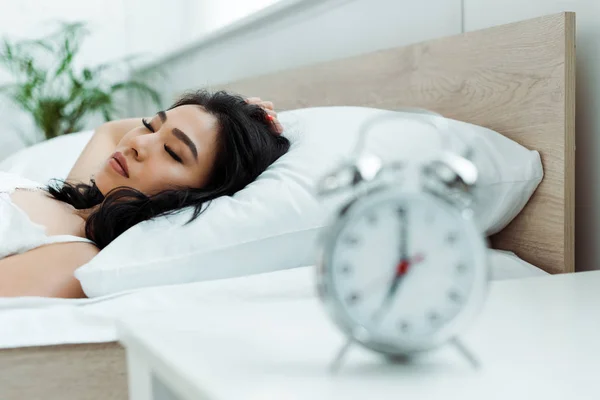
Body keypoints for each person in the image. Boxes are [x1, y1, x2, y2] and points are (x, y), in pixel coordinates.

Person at [0, 90, 289, 298]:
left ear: (196, 195)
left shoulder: (74, 255)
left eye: (172, 152)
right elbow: (110, 132)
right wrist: (236, 113)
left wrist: (241, 135)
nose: (139, 142)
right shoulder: (76, 197)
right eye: (151, 125)